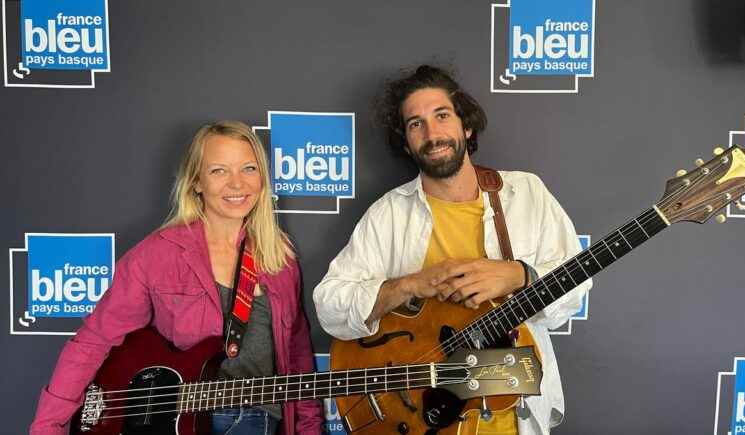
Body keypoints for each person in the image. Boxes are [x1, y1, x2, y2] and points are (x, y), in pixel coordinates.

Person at [313, 65, 592, 435]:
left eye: (441, 115)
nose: (432, 133)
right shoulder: (389, 214)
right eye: (416, 124)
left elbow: (575, 292)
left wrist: (520, 275)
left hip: (511, 420)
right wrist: (409, 285)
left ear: (466, 125)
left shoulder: (526, 193)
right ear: (406, 142)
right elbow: (330, 305)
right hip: (418, 418)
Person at [30, 121, 323, 435]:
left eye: (248, 168)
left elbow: (297, 358)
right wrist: (48, 426)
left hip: (258, 421)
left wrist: (310, 428)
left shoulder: (280, 259)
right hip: (179, 424)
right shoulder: (157, 254)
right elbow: (93, 341)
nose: (237, 184)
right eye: (219, 171)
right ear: (196, 181)